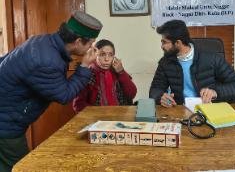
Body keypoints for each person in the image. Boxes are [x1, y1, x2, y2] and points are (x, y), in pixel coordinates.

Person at [0, 11, 103, 171]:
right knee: (19, 168)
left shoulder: (43, 41)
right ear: (77, 41)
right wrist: (84, 66)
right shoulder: (46, 61)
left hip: (7, 115)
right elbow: (64, 95)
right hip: (5, 124)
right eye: (90, 43)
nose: (91, 48)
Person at [149, 20, 235, 107]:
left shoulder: (212, 58)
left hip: (212, 109)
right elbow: (154, 90)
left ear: (178, 43)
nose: (162, 46)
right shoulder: (165, 62)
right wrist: (160, 97)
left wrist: (215, 92)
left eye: (164, 42)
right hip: (182, 111)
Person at [73, 39, 137, 112]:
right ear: (95, 55)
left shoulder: (117, 70)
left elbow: (132, 94)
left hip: (120, 115)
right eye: (102, 54)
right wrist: (100, 113)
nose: (107, 59)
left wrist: (121, 72)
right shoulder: (87, 74)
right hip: (97, 119)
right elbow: (78, 105)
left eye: (110, 55)